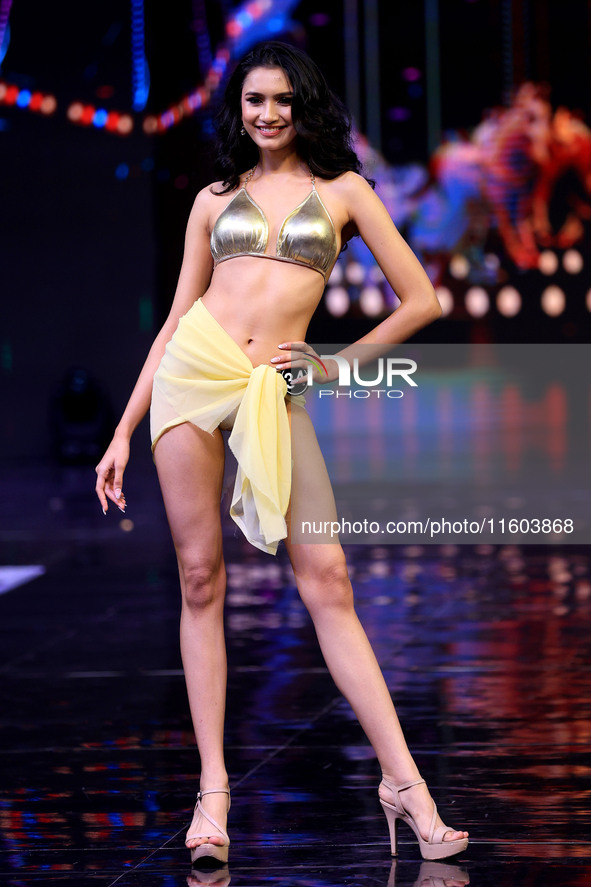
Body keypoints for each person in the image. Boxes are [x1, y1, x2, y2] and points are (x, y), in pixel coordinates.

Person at [95, 41, 469, 865]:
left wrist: (335, 364)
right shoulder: (210, 199)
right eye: (254, 100)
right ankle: (213, 793)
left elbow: (423, 299)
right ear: (239, 109)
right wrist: (122, 430)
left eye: (282, 101)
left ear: (304, 106)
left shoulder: (342, 193)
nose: (267, 114)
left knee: (326, 578)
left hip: (276, 389)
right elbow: (172, 323)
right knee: (201, 578)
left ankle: (405, 784)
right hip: (195, 376)